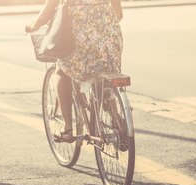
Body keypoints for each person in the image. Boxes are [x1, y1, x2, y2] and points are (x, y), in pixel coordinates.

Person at [26, 0, 123, 143]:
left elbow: (46, 14)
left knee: (61, 71)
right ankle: (117, 119)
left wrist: (32, 26)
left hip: (80, 43)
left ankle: (67, 129)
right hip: (110, 41)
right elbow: (119, 15)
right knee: (103, 73)